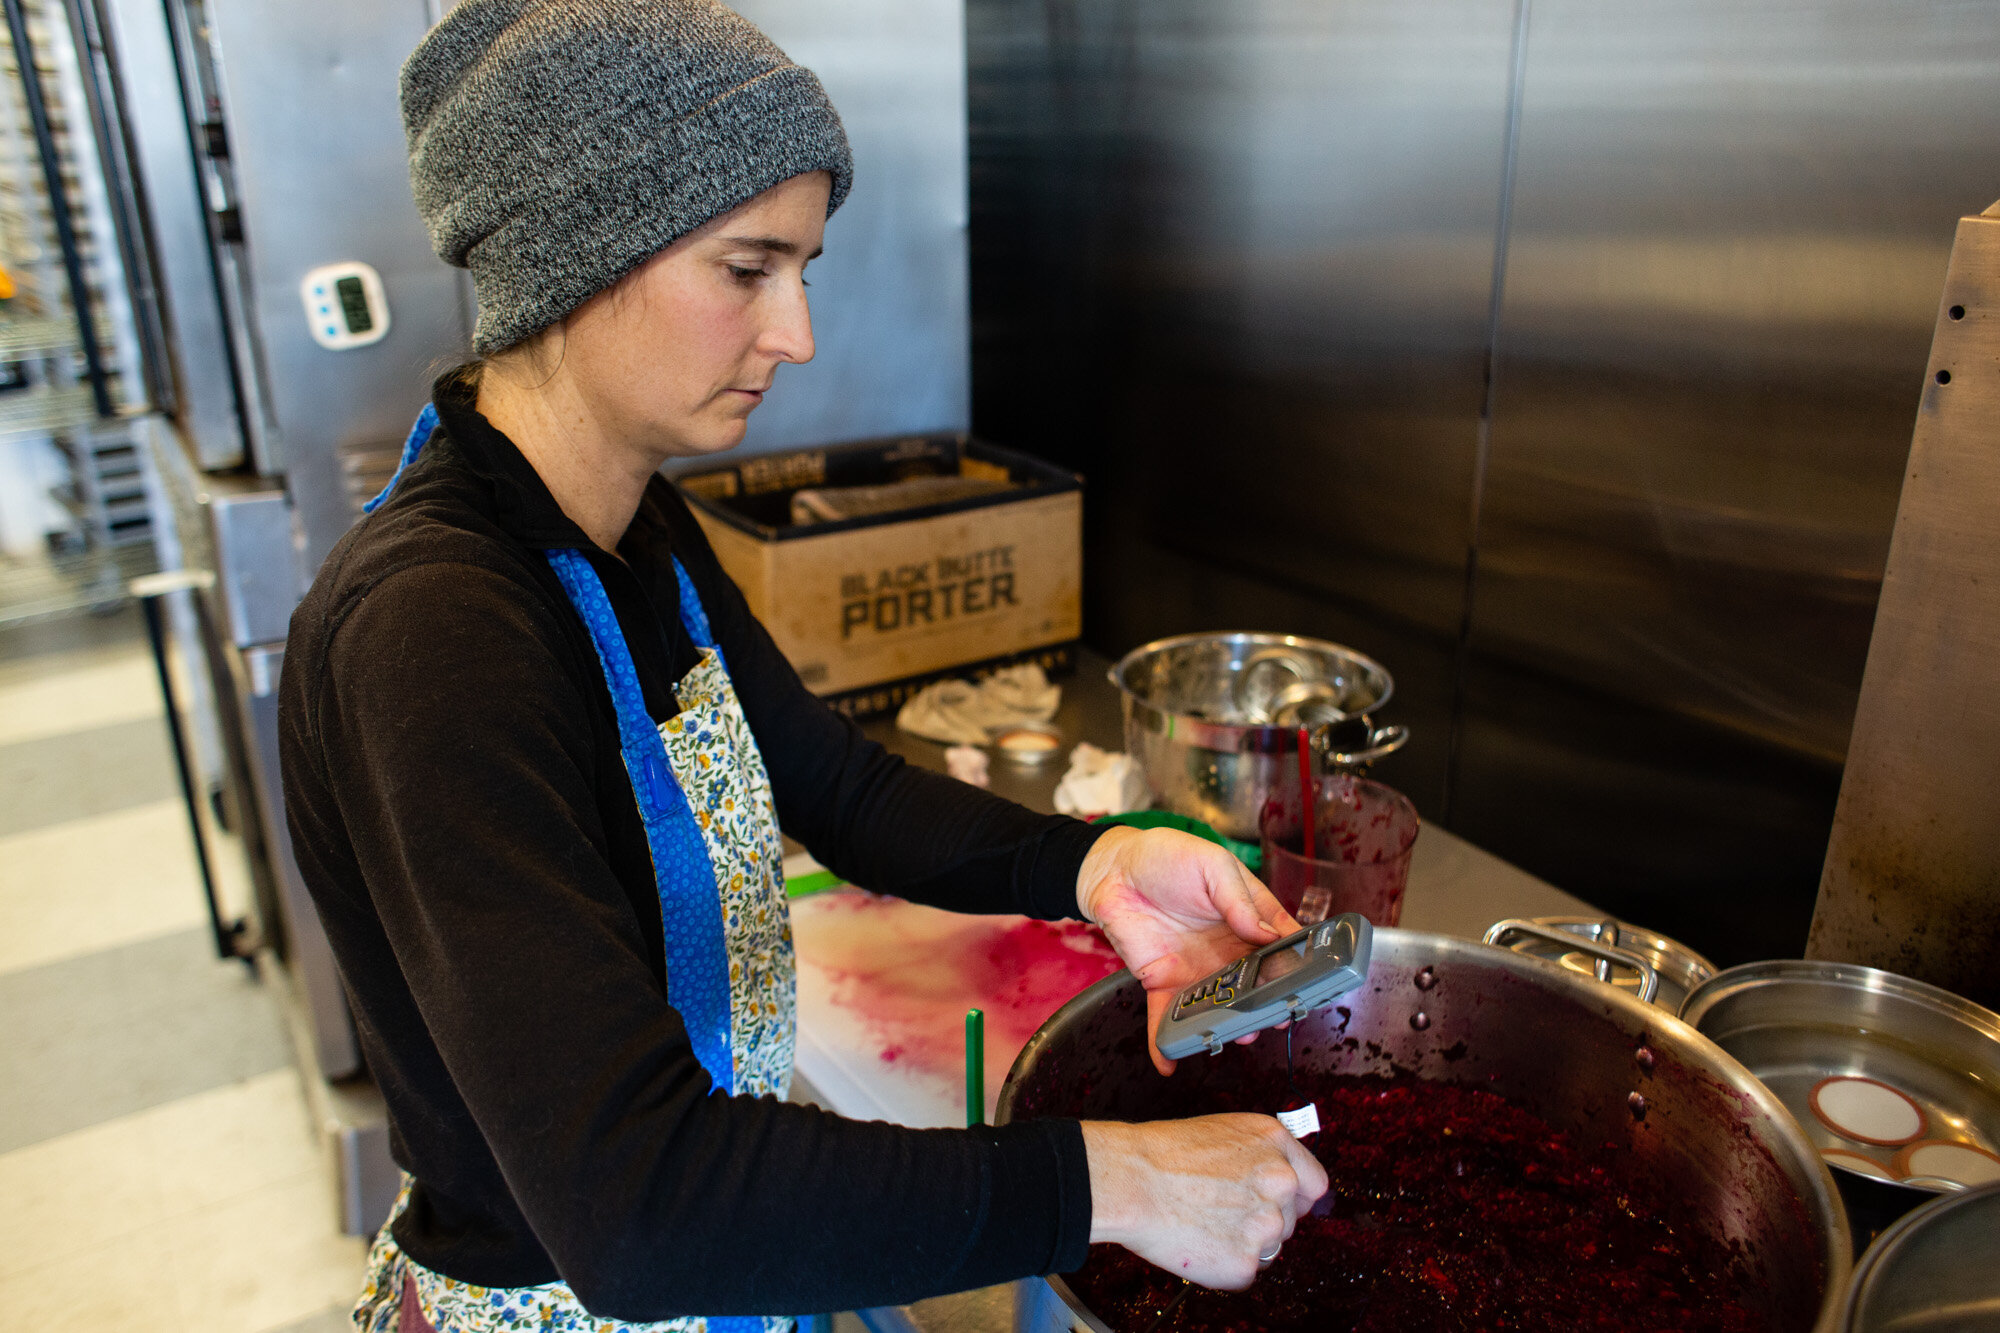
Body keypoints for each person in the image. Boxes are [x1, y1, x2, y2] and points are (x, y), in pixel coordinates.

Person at [278, 3, 1326, 1330]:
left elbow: (836, 785)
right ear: (572, 259)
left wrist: (1092, 861)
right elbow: (641, 1207)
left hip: (740, 1275)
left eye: (803, 271)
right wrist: (1114, 1178)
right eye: (745, 269)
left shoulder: (631, 522)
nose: (797, 337)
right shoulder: (434, 635)